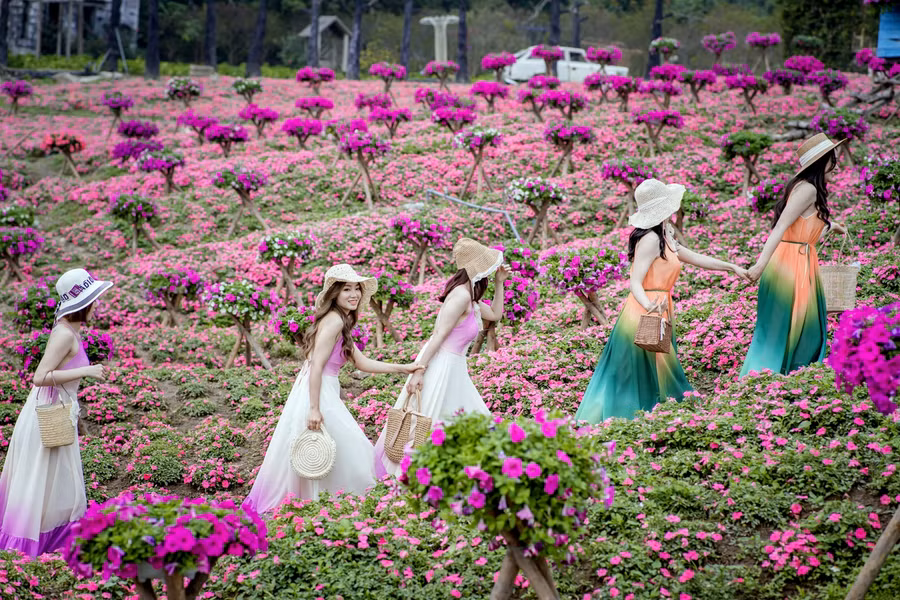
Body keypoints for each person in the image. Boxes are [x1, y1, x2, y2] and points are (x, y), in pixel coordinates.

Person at [244, 264, 422, 512]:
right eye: (347, 289)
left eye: (357, 289)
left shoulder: (341, 320)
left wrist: (404, 367)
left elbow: (361, 362)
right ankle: (358, 499)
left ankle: (324, 503)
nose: (354, 294)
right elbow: (316, 365)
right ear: (335, 294)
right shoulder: (334, 321)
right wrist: (315, 408)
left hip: (318, 389)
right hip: (318, 392)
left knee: (332, 447)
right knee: (349, 446)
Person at [575, 179, 749, 423]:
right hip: (645, 309)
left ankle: (651, 413)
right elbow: (635, 281)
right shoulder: (650, 239)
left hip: (660, 306)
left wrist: (730, 267)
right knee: (637, 366)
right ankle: (627, 417)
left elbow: (693, 257)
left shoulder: (664, 234)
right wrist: (649, 306)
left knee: (657, 363)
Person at [0, 269, 112, 556]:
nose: (97, 305)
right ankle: (32, 544)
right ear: (82, 303)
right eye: (93, 300)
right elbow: (40, 376)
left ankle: (53, 535)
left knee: (54, 479)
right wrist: (87, 369)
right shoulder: (64, 334)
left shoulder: (69, 330)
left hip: (55, 411)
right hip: (48, 416)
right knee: (44, 477)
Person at [374, 238, 509, 477]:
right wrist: (418, 370)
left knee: (457, 418)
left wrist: (500, 283)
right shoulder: (460, 297)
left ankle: (451, 473)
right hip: (441, 366)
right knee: (431, 420)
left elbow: (496, 314)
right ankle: (413, 474)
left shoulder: (471, 298)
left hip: (456, 368)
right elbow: (437, 336)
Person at [740, 133, 849, 377]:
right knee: (790, 326)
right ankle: (769, 376)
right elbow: (780, 227)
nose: (836, 161)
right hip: (790, 265)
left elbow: (803, 231)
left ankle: (780, 377)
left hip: (800, 260)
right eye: (833, 156)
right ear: (824, 161)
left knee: (794, 326)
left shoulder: (807, 188)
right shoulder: (808, 190)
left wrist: (831, 226)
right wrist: (759, 265)